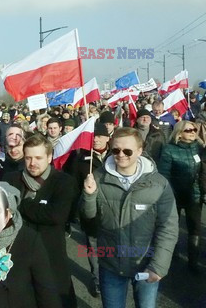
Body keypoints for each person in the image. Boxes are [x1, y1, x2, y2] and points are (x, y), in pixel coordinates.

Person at [81, 127, 178, 308]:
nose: (121, 155)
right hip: (111, 263)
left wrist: (158, 266)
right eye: (116, 150)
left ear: (140, 151)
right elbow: (88, 220)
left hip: (145, 262)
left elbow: (168, 227)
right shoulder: (97, 178)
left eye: (127, 151)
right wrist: (89, 195)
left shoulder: (158, 184)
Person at [3, 135, 78, 307]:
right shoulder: (10, 179)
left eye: (38, 158)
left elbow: (56, 215)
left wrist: (21, 204)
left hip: (51, 257)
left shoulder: (64, 182)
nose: (32, 163)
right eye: (28, 157)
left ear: (49, 157)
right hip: (17, 257)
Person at [63, 123, 111, 297]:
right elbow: (73, 186)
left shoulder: (117, 155)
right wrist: (74, 211)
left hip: (113, 213)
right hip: (90, 212)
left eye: (100, 136)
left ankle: (112, 278)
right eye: (94, 136)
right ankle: (97, 280)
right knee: (94, 247)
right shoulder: (82, 158)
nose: (96, 139)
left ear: (108, 137)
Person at [158, 121, 203, 272]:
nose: (192, 132)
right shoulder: (169, 150)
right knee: (172, 227)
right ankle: (172, 254)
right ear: (179, 133)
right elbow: (164, 175)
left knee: (194, 228)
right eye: (188, 130)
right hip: (174, 195)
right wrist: (169, 194)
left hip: (194, 195)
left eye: (194, 129)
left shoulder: (198, 148)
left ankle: (193, 261)